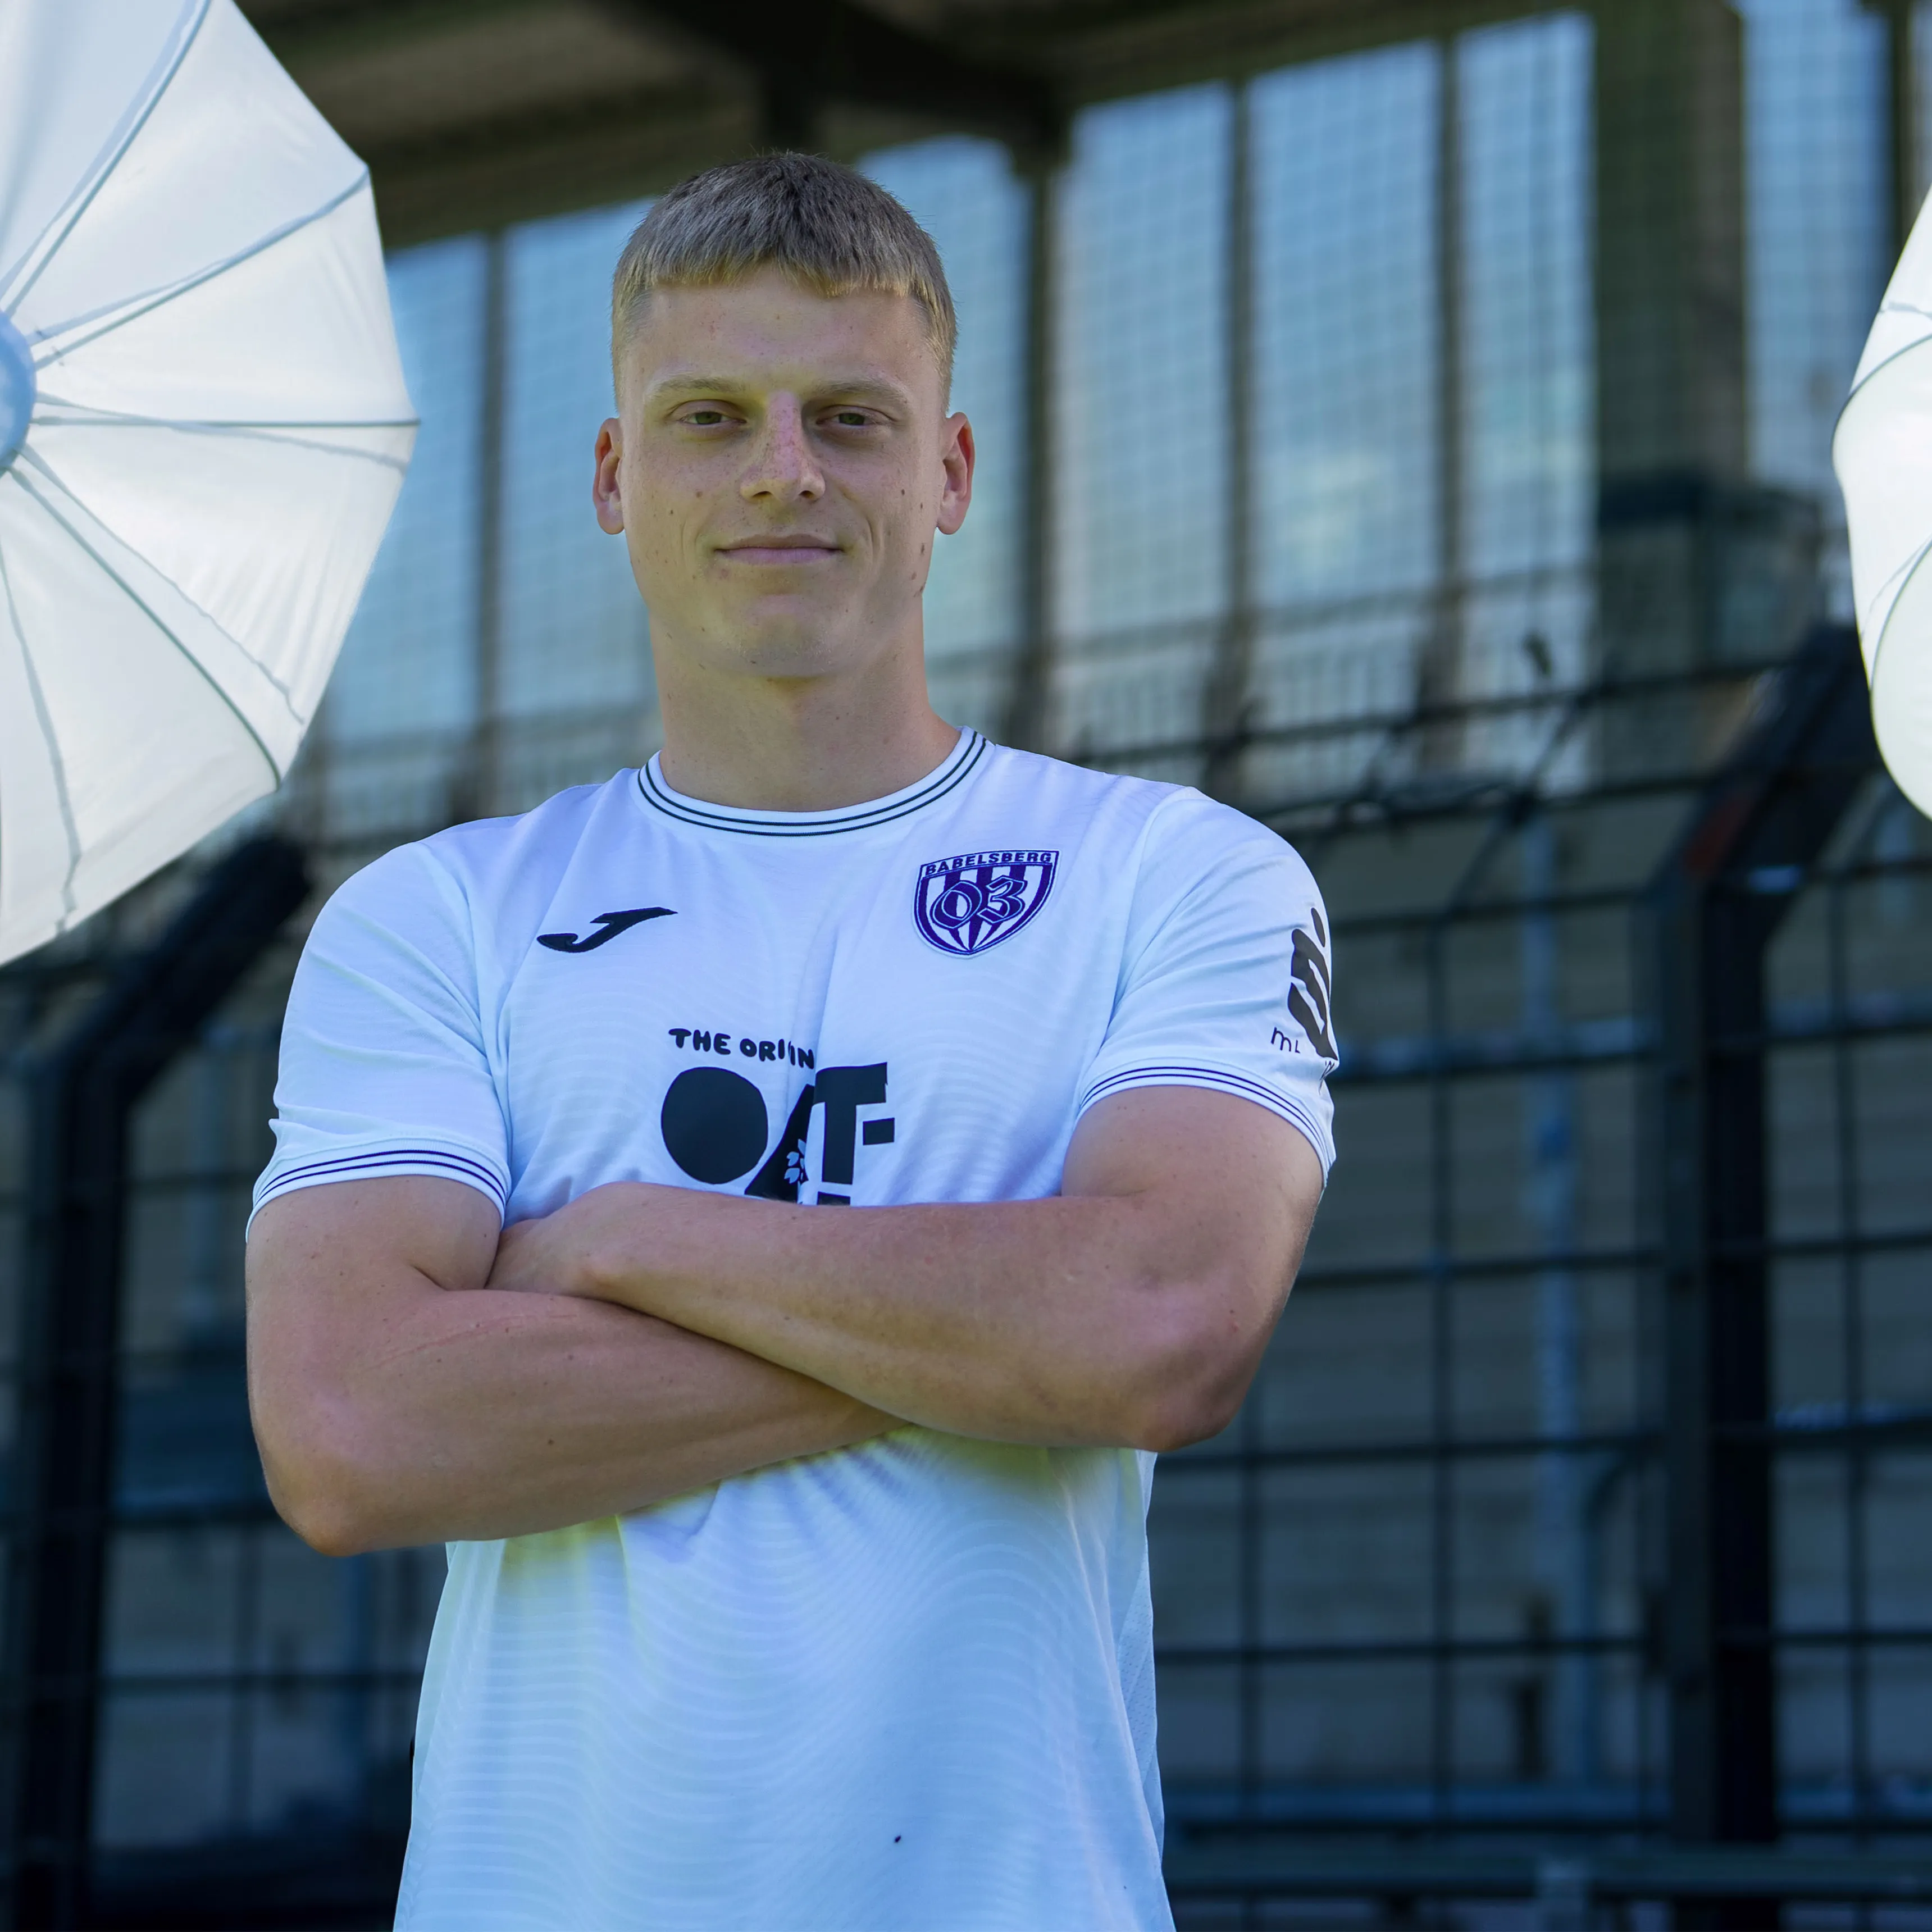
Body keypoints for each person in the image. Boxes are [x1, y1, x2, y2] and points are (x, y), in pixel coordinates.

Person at [245, 152, 1337, 1932]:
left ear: (948, 470)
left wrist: (626, 1239)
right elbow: (352, 1431)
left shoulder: (1177, 872)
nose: (782, 471)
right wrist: (998, 1344)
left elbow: (1157, 1328)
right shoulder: (435, 916)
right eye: (711, 418)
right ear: (616, 476)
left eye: (849, 418)